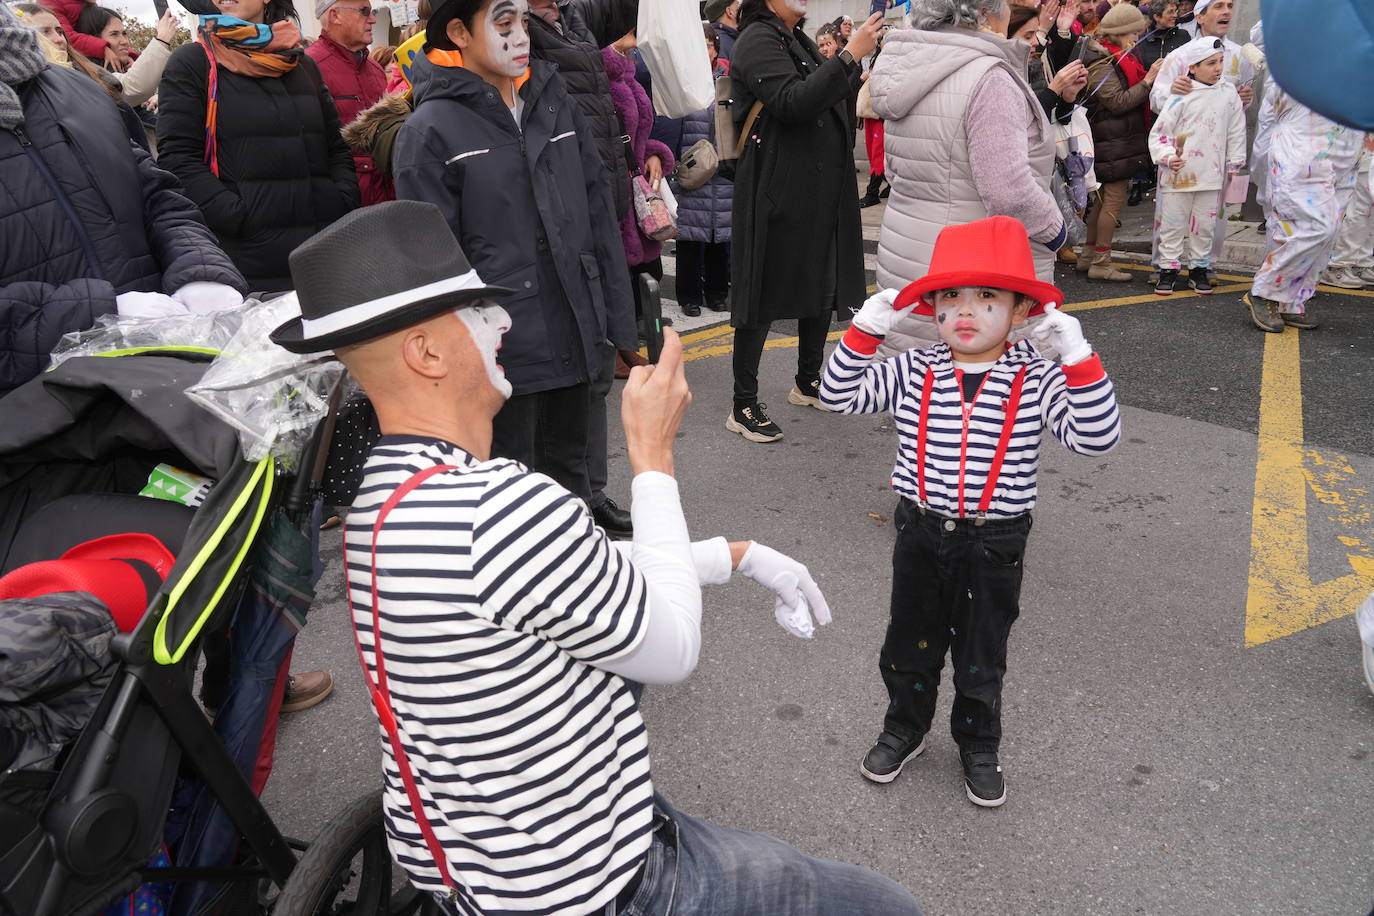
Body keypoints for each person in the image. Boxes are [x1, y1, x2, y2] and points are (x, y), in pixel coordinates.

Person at [268, 198, 926, 916]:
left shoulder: (385, 499)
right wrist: (652, 454)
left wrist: (732, 555)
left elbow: (564, 573)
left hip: (476, 864)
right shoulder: (501, 507)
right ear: (426, 352)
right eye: (479, 313)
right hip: (598, 883)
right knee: (882, 905)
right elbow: (670, 651)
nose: (505, 323)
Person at [818, 215, 1121, 807]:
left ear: (1019, 312)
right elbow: (837, 394)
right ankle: (904, 728)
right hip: (921, 530)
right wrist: (864, 331)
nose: (966, 310)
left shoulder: (1035, 374)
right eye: (951, 296)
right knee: (909, 644)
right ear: (932, 308)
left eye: (988, 297)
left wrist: (1077, 356)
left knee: (983, 653)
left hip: (995, 539)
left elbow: (1097, 437)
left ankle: (979, 743)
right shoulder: (915, 367)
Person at [393, 0, 633, 512]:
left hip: (575, 332)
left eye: (524, 21)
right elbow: (430, 266)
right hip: (500, 355)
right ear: (458, 32)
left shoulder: (555, 102)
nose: (521, 36)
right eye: (504, 24)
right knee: (510, 501)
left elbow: (597, 220)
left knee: (573, 490)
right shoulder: (429, 131)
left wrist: (620, 325)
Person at [0, 3, 247, 397]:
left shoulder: (77, 88)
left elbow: (157, 195)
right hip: (41, 424)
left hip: (176, 382)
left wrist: (199, 269)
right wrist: (96, 311)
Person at [868, 0, 1066, 360]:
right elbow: (1007, 189)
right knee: (986, 400)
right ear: (986, 14)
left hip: (908, 250)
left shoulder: (911, 66)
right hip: (976, 263)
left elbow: (898, 168)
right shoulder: (988, 77)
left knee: (921, 391)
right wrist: (1055, 229)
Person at [725, 0, 880, 444]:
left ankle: (808, 379)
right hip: (777, 184)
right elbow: (793, 102)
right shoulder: (758, 38)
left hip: (813, 182)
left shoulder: (794, 38)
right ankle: (743, 402)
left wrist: (854, 61)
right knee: (763, 289)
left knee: (820, 278)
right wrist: (849, 55)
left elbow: (829, 97)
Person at [156, 0, 360, 293]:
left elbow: (335, 147)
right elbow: (177, 160)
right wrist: (238, 216)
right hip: (250, 264)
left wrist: (340, 200)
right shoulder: (193, 62)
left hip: (327, 254)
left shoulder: (302, 64)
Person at [1147, 0, 1254, 282]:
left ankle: (1202, 265)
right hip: (1182, 158)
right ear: (1199, 16)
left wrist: (1245, 100)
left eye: (1230, 5)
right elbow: (1158, 102)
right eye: (1218, 5)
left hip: (1214, 160)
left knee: (1208, 221)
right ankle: (1166, 267)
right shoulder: (1181, 56)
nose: (1227, 11)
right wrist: (1173, 91)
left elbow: (1237, 111)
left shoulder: (1240, 54)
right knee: (1172, 218)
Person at [1243, 84, 1363, 332]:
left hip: (1345, 156)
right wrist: (1261, 170)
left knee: (1326, 237)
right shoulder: (1302, 61)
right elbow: (1271, 113)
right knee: (1316, 229)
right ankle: (1264, 292)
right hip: (1303, 155)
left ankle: (1292, 301)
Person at [527, 0, 639, 220]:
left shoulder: (570, 11)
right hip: (565, 201)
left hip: (603, 189)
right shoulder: (514, 26)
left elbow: (622, 9)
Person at [1075, 3, 1161, 282]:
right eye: (1134, 32)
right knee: (1111, 202)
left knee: (1101, 202)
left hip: (1114, 139)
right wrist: (1147, 82)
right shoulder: (1102, 60)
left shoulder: (1111, 55)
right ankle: (1101, 260)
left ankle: (1089, 256)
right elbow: (1116, 102)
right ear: (1121, 33)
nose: (1137, 37)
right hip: (1110, 141)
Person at [667, 24, 733, 318]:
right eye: (699, 45)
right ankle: (689, 296)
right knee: (690, 238)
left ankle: (717, 294)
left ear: (716, 49)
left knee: (721, 236)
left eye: (709, 45)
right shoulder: (682, 84)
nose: (704, 50)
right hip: (693, 171)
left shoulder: (729, 84)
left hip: (723, 172)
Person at [308, 0, 395, 205]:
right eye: (364, 11)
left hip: (389, 201)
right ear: (335, 16)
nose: (372, 19)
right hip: (347, 208)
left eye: (372, 11)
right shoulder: (309, 68)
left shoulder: (375, 69)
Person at [1321, 138, 1374, 289]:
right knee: (1361, 211)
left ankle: (1361, 262)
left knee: (1369, 211)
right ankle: (1338, 265)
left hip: (1365, 150)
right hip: (1361, 150)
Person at [1134, 0, 1188, 71]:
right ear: (1157, 17)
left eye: (1175, 11)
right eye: (1170, 12)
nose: (1175, 15)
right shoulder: (1141, 41)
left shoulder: (1183, 35)